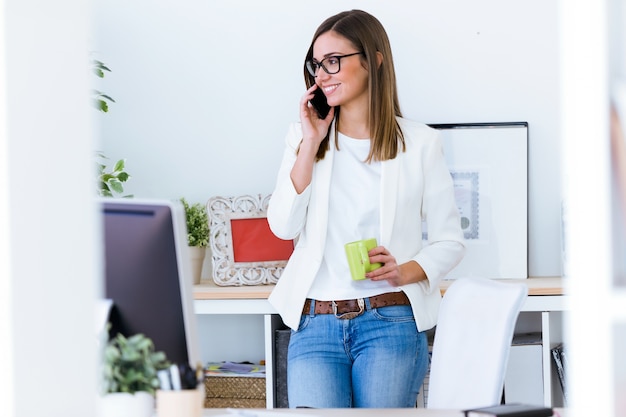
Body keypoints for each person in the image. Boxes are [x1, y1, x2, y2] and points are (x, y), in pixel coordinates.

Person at [267, 9, 465, 409]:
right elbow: (283, 227)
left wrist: (404, 270)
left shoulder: (420, 143)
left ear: (373, 58)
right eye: (316, 65)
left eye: (333, 61)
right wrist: (310, 142)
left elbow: (450, 241)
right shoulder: (302, 139)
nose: (322, 74)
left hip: (389, 322)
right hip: (315, 323)